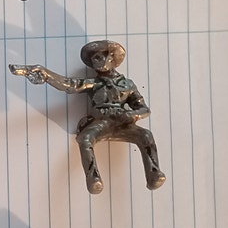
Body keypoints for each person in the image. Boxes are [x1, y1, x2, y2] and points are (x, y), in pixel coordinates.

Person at [9, 40, 165, 194]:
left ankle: (154, 174)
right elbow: (70, 85)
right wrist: (46, 74)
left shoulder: (128, 85)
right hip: (100, 122)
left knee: (146, 135)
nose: (95, 62)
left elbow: (144, 108)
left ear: (110, 57)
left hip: (122, 122)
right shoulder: (93, 83)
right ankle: (93, 178)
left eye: (98, 57)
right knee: (86, 138)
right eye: (93, 60)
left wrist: (132, 115)